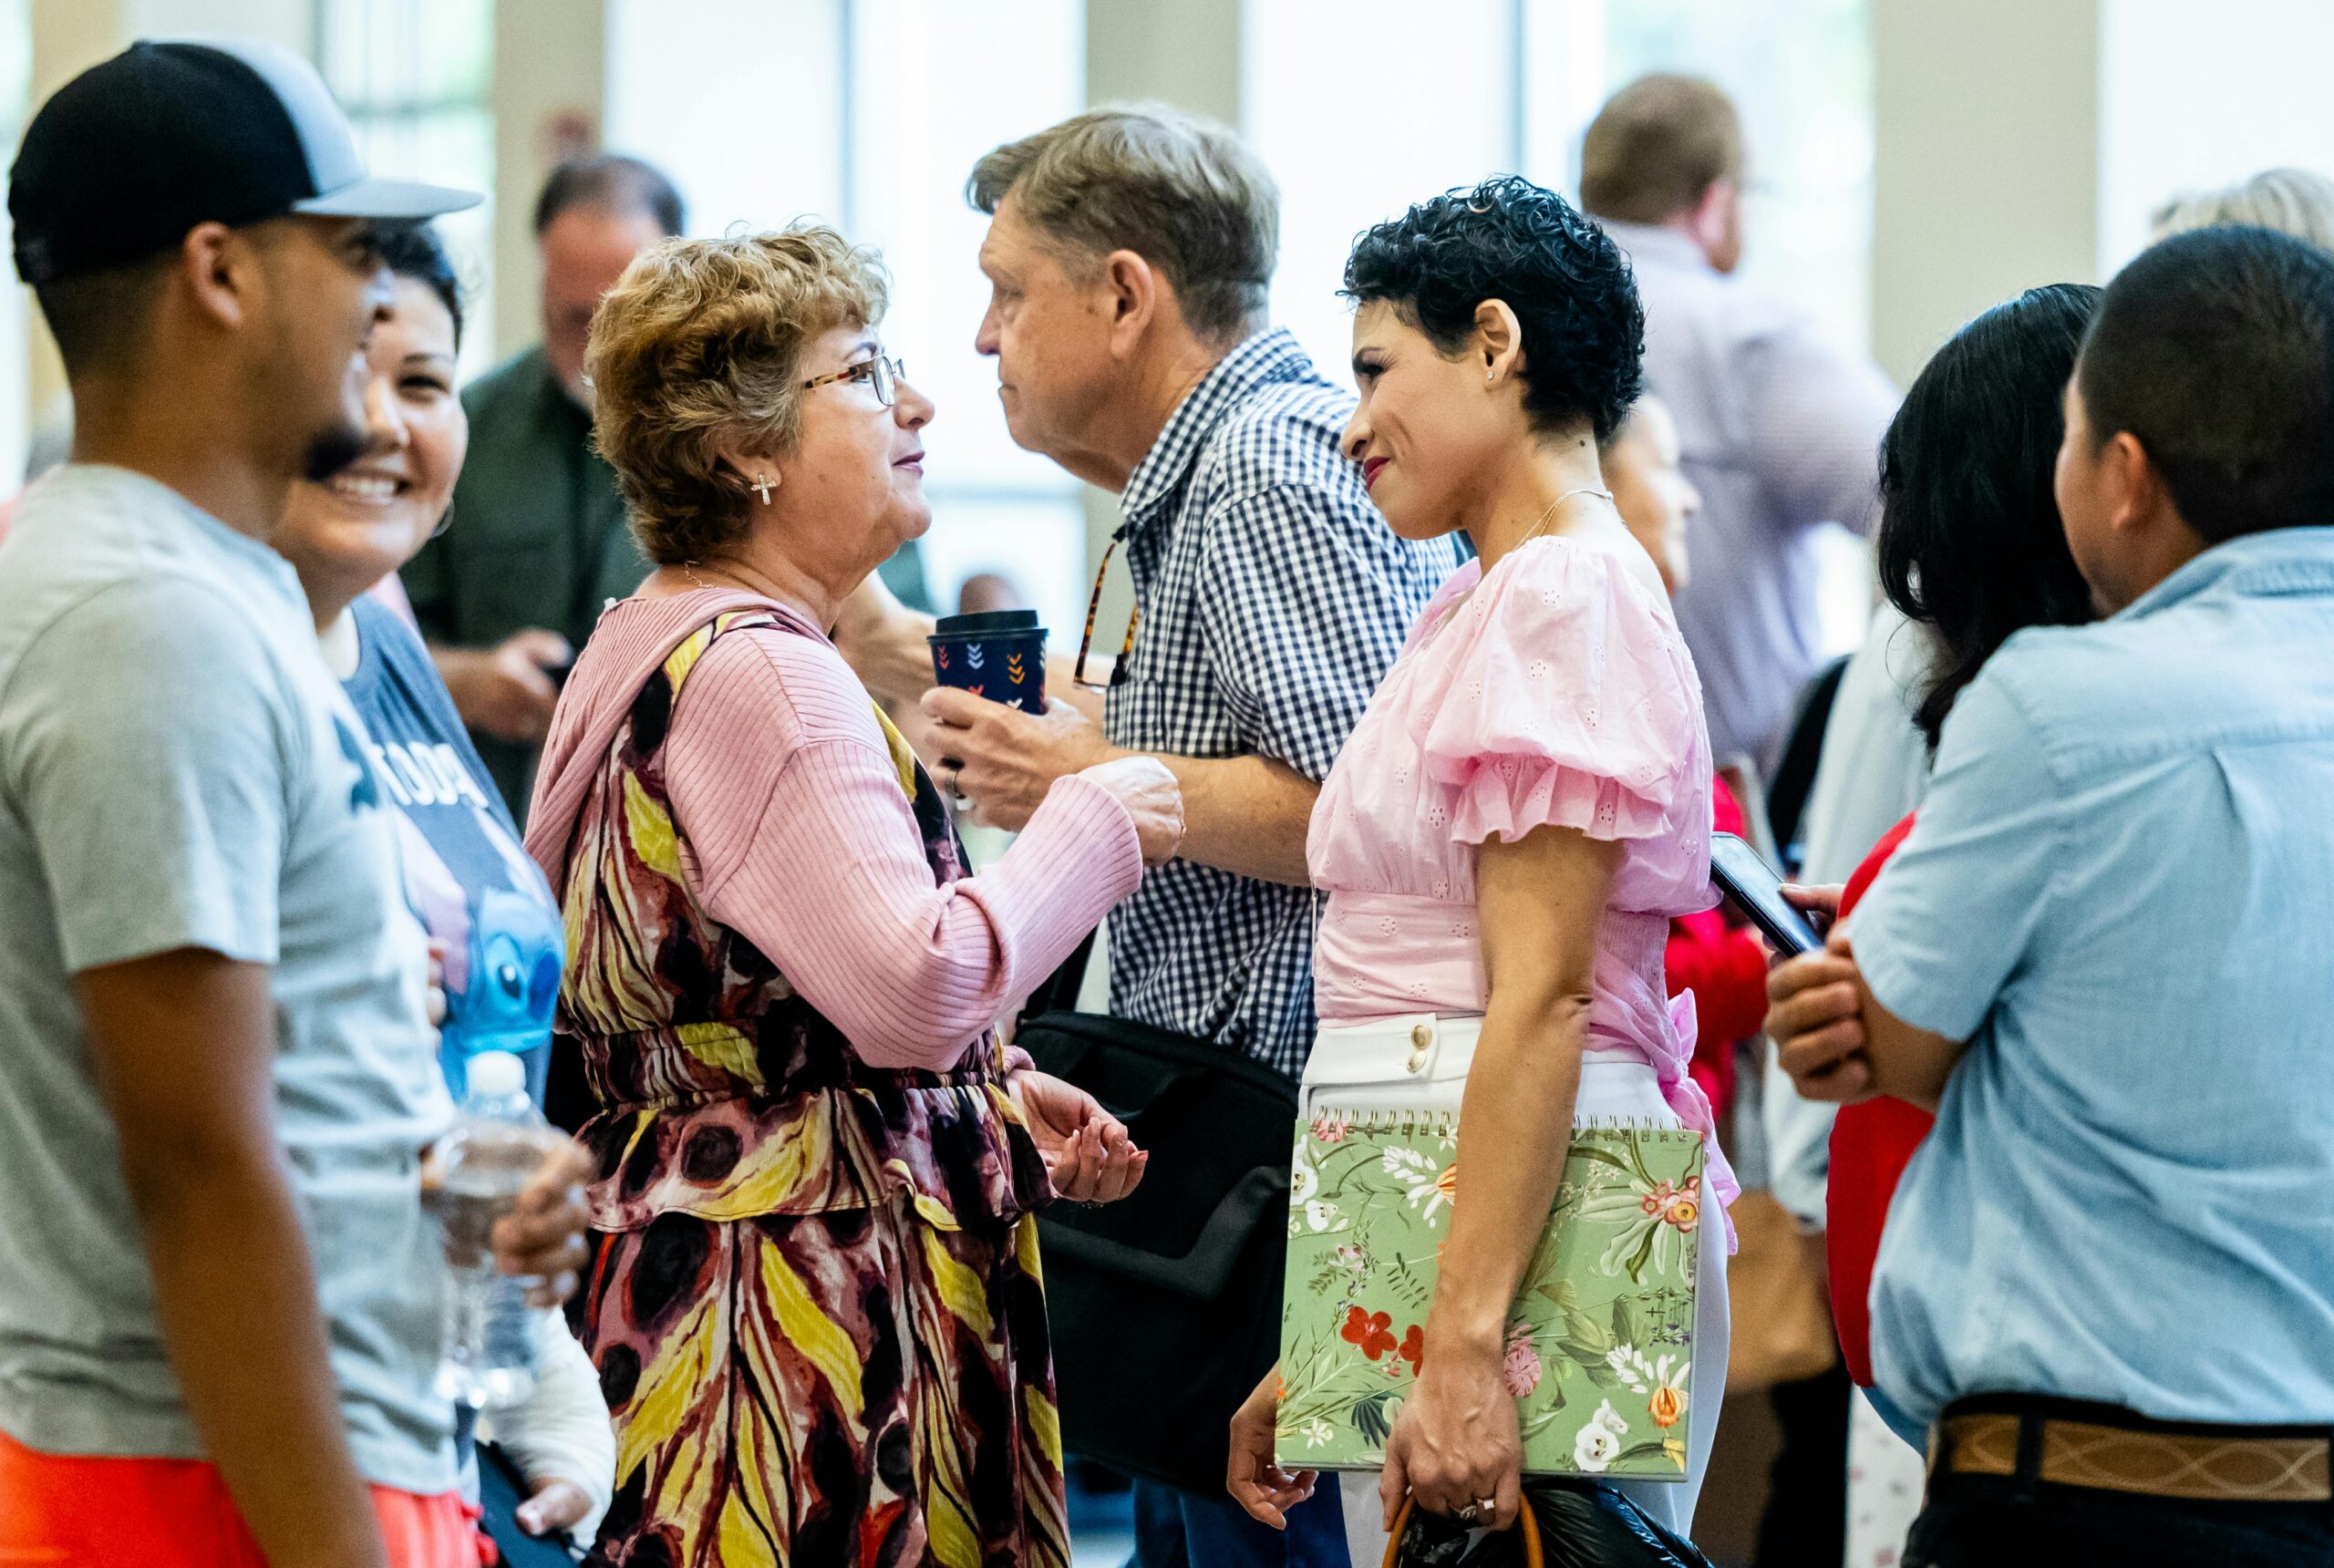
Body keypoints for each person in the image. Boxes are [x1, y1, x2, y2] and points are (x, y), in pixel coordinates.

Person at [0, 39, 587, 1568]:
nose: (378, 295)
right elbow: (197, 1159)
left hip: (300, 1437)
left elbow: (304, 1075)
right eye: (353, 251)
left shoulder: (214, 592)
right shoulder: (146, 617)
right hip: (220, 1467)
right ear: (221, 273)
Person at [522, 226, 1182, 1565]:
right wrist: (1101, 819)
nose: (928, 402)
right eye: (872, 374)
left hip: (716, 1273)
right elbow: (915, 986)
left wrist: (981, 1095)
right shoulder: (763, 670)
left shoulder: (657, 630)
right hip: (792, 1328)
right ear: (744, 445)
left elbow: (755, 1011)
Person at [922, 104, 1467, 1567]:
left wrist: (1092, 777)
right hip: (1250, 1165)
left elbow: (1391, 812)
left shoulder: (1263, 472)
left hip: (1299, 1169)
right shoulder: (1217, 472)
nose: (982, 340)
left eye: (1006, 291)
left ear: (1122, 293)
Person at [1768, 224, 2334, 1566]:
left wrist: (1855, 1000)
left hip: (2084, 1491)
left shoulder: (2057, 704)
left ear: (2124, 478)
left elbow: (1891, 1035)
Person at [1224, 175, 1735, 1559]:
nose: (1353, 422)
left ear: (1496, 345)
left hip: (1518, 1218)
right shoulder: (1507, 588)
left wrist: (1454, 1348)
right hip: (1445, 1206)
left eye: (1379, 368)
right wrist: (1345, 1320)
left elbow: (1542, 997)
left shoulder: (1563, 590)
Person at [273, 221, 617, 1548]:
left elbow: (464, 1080)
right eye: (342, 375)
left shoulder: (383, 619)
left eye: (422, 382)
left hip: (449, 1395)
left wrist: (535, 1376)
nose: (381, 424)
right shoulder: (185, 665)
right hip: (278, 1423)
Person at [1579, 74, 1897, 777]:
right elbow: (1927, 492)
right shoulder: (1747, 340)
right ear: (1717, 203)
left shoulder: (1500, 323)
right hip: (1723, 823)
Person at [400, 154, 684, 821]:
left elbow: (868, 635)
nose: (595, 353)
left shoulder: (755, 432)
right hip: (496, 820)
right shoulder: (458, 430)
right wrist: (467, 682)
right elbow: (367, 634)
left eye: (621, 318)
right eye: (572, 319)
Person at [1605, 396, 1764, 1127]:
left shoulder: (1645, 663)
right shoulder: (1588, 681)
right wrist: (1758, 966)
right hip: (1621, 1131)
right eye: (1668, 470)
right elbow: (1590, 963)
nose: (1692, 500)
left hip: (1673, 1124)